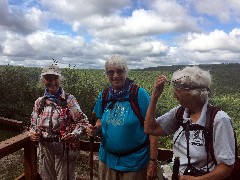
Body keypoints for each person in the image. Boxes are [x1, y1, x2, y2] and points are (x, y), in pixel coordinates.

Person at [144, 66, 235, 180]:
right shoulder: (180, 112)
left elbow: (227, 166)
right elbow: (150, 129)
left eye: (178, 90)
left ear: (194, 93)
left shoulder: (219, 120)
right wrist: (155, 97)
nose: (173, 95)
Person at [86, 55, 158, 180]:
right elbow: (99, 120)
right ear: (107, 74)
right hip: (107, 160)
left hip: (135, 163)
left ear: (126, 71)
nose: (115, 75)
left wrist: (152, 161)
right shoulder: (104, 95)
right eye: (111, 72)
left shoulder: (139, 94)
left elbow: (152, 129)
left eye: (119, 71)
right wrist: (95, 129)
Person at [29, 64, 88, 180]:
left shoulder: (68, 100)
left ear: (60, 80)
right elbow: (33, 124)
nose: (52, 82)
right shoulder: (39, 102)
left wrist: (74, 134)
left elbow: (83, 122)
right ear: (43, 81)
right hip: (44, 148)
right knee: (46, 178)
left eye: (55, 78)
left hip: (64, 147)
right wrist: (33, 133)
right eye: (48, 79)